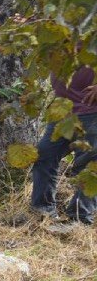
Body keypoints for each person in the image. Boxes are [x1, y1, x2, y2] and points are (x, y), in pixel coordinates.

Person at [30, 66, 97, 225]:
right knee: (44, 155)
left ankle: (79, 219)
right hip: (62, 111)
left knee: (88, 167)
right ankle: (42, 211)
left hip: (92, 112)